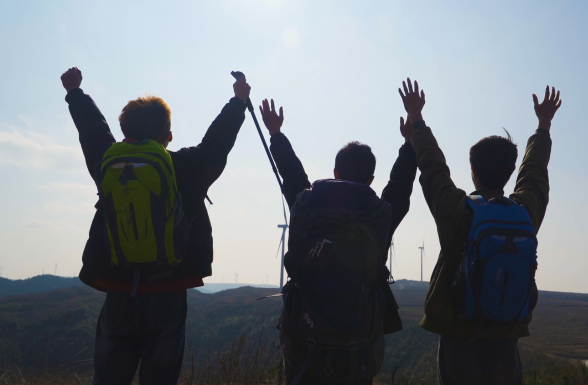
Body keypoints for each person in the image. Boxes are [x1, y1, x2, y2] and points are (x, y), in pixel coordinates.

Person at [60, 67, 250, 385]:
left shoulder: (108, 161)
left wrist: (75, 93)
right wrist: (238, 102)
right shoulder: (188, 167)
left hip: (119, 291)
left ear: (124, 134)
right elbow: (218, 142)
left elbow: (92, 131)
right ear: (168, 136)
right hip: (168, 291)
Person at [398, 78, 561, 385]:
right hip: (506, 338)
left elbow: (433, 168)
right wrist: (543, 125)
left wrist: (416, 119)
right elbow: (535, 175)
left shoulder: (457, 212)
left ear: (472, 171)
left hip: (460, 338)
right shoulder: (524, 213)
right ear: (511, 172)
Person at [258, 99, 417, 384]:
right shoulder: (380, 216)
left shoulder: (305, 206)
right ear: (371, 179)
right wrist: (409, 141)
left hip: (303, 342)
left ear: (335, 174)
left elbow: (293, 175)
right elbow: (401, 186)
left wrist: (275, 133)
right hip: (357, 349)